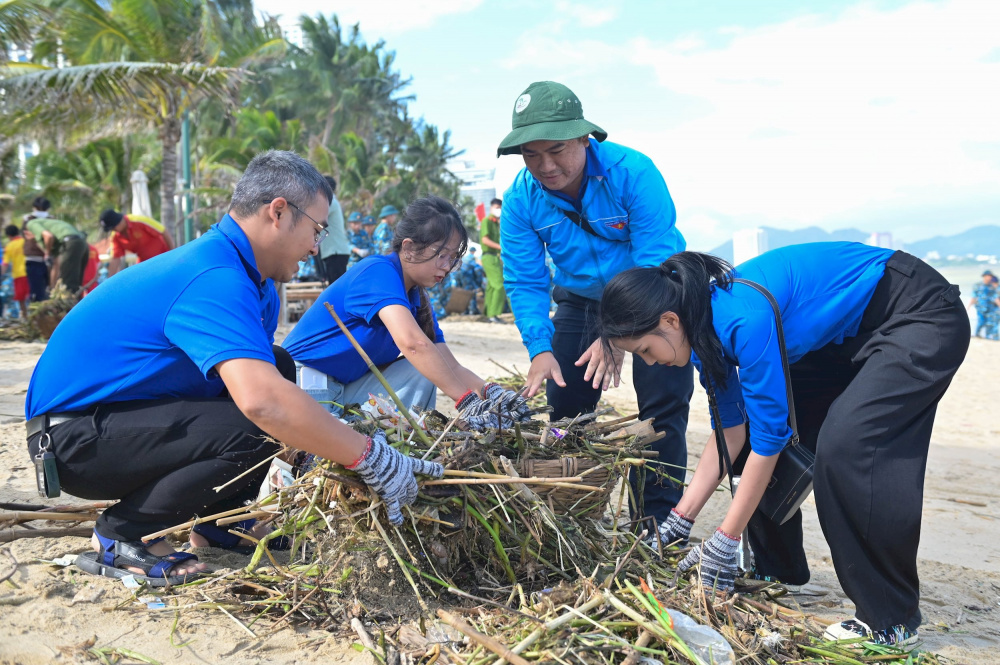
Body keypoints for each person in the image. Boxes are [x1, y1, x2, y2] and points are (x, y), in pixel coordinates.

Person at [25, 150, 444, 587]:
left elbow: (262, 382)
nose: (317, 246)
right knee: (263, 420)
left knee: (278, 365)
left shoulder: (253, 280)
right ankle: (121, 534)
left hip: (116, 423)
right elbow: (262, 403)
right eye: (316, 230)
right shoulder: (213, 275)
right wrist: (371, 457)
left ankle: (218, 524)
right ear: (278, 212)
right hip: (71, 440)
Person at [596, 242, 969, 649]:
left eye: (646, 350)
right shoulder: (700, 329)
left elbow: (770, 441)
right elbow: (731, 435)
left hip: (917, 313)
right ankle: (777, 569)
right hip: (841, 337)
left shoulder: (742, 319)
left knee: (850, 447)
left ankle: (891, 621)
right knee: (754, 434)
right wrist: (677, 522)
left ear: (669, 320)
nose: (650, 363)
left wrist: (724, 539)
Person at [497, 80, 692, 530]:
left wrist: (618, 334)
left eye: (557, 149)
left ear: (585, 138)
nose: (544, 166)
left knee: (663, 410)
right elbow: (526, 281)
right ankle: (575, 520)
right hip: (581, 302)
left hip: (657, 293)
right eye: (531, 154)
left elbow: (655, 262)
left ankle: (657, 525)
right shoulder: (520, 201)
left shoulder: (634, 172)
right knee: (566, 411)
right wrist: (539, 350)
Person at [282, 196, 531, 430]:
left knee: (426, 370)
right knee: (322, 459)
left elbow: (448, 364)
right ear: (409, 248)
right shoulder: (378, 271)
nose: (447, 267)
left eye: (453, 259)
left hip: (345, 386)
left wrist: (491, 393)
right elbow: (414, 344)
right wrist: (467, 402)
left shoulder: (416, 297)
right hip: (307, 380)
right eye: (441, 255)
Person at [23, 214, 89, 294]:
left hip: (70, 242)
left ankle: (69, 305)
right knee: (76, 283)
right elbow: (55, 264)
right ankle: (76, 302)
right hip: (82, 243)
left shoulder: (31, 224)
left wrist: (47, 253)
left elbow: (48, 236)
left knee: (68, 285)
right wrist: (52, 288)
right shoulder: (54, 229)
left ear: (26, 233)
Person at [98, 209, 174, 277]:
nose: (113, 230)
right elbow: (115, 258)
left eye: (113, 228)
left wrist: (173, 254)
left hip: (164, 257)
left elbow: (163, 231)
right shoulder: (115, 237)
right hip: (146, 264)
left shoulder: (139, 220)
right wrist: (110, 280)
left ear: (119, 221)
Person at [316, 176, 351, 283]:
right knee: (335, 286)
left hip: (336, 252)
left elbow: (315, 218)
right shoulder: (330, 201)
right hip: (334, 252)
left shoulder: (329, 202)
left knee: (336, 287)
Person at [479, 199, 507, 323]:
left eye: (500, 207)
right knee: (499, 284)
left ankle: (488, 313)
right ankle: (494, 314)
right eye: (496, 207)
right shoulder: (487, 221)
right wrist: (501, 247)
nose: (498, 210)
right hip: (489, 255)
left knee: (491, 286)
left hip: (494, 256)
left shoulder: (497, 223)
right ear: (491, 208)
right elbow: (485, 240)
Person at [21, 196, 52, 302]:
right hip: (38, 259)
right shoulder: (29, 220)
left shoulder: (29, 219)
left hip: (44, 260)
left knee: (45, 292)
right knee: (39, 292)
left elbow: (27, 236)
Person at [2, 225, 30, 318]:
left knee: (21, 299)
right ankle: (34, 317)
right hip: (29, 272)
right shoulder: (25, 241)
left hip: (18, 275)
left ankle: (26, 318)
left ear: (9, 236)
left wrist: (1, 275)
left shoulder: (9, 246)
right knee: (31, 296)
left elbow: (5, 264)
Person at [970, 270, 999, 340]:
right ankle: (977, 335)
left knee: (990, 323)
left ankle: (988, 337)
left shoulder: (992, 286)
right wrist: (968, 307)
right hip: (980, 308)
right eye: (988, 276)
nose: (989, 278)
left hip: (990, 308)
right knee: (981, 322)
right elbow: (974, 296)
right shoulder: (978, 285)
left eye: (990, 276)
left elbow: (996, 297)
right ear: (984, 276)